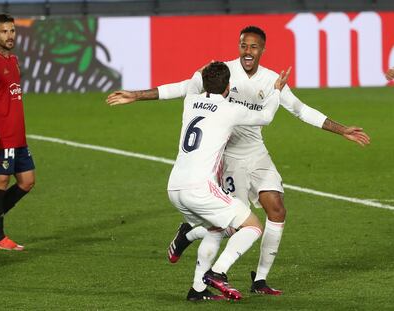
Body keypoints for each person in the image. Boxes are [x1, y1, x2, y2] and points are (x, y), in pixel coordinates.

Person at [106, 26, 370, 295]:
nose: (248, 51)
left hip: (256, 153)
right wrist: (137, 95)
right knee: (230, 228)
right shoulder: (223, 73)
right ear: (239, 47)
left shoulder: (270, 79)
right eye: (244, 45)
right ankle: (194, 249)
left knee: (276, 209)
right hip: (228, 158)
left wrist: (342, 129)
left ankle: (259, 281)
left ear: (262, 50)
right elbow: (184, 87)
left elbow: (301, 110)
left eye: (254, 47)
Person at [166, 61, 289, 300]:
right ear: (229, 86)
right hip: (201, 188)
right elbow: (266, 116)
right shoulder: (229, 109)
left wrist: (201, 70)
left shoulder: (190, 100)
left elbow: (192, 84)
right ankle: (217, 273)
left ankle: (197, 289)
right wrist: (276, 90)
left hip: (174, 187)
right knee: (252, 226)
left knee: (216, 228)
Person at [0, 14, 35, 251]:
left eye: (12, 31)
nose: (10, 36)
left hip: (17, 136)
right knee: (0, 180)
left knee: (27, 181)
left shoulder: (13, 61)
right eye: (4, 32)